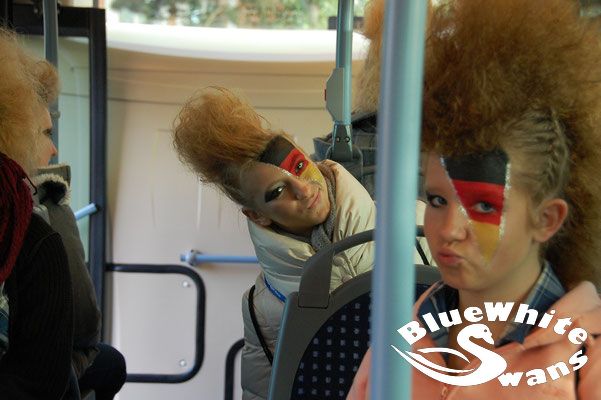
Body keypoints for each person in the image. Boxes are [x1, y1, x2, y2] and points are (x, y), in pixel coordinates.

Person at [348, 0, 601, 398]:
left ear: (546, 219)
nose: (449, 230)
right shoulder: (397, 344)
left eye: (484, 206)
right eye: (437, 201)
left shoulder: (586, 359)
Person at [172, 86, 376, 400]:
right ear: (258, 216)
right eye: (279, 191)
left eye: (299, 166)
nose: (304, 189)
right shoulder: (261, 308)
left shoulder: (417, 227)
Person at [0, 28, 74, 399]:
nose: (53, 149)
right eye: (45, 132)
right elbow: (41, 383)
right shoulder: (33, 240)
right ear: (14, 133)